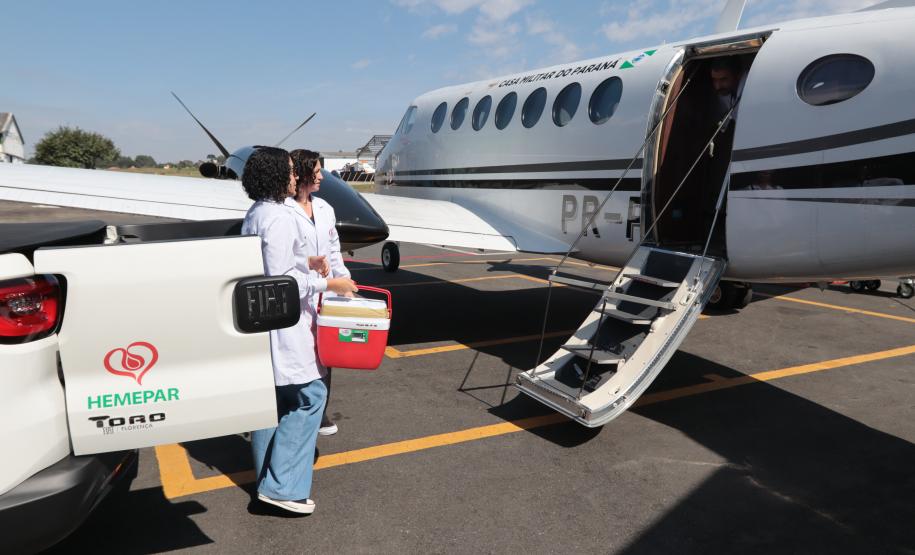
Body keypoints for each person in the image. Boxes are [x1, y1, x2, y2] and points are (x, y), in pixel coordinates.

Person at [240, 147, 357, 515]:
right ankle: (283, 487)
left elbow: (269, 260)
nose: (295, 177)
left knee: (271, 404)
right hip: (285, 320)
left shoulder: (258, 212)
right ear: (277, 176)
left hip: (263, 321)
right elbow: (281, 281)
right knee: (310, 397)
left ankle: (266, 480)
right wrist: (330, 286)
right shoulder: (279, 217)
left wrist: (308, 261)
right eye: (290, 172)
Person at [289, 148, 352, 437]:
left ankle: (321, 411)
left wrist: (346, 284)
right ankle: (292, 410)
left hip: (325, 295)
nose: (321, 178)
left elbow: (334, 252)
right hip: (295, 295)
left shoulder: (326, 208)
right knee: (296, 357)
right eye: (316, 172)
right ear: (300, 174)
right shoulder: (283, 211)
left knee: (325, 353)